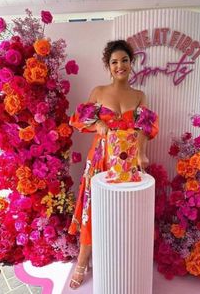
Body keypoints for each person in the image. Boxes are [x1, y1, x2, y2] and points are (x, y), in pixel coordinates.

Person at [68, 39, 159, 289]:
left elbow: (145, 128)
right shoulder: (98, 91)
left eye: (125, 60)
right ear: (108, 66)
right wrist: (97, 124)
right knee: (93, 209)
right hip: (100, 159)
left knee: (125, 213)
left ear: (132, 63)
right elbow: (78, 120)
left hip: (128, 162)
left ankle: (122, 262)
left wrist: (141, 153)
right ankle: (83, 261)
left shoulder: (140, 95)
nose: (120, 65)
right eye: (114, 62)